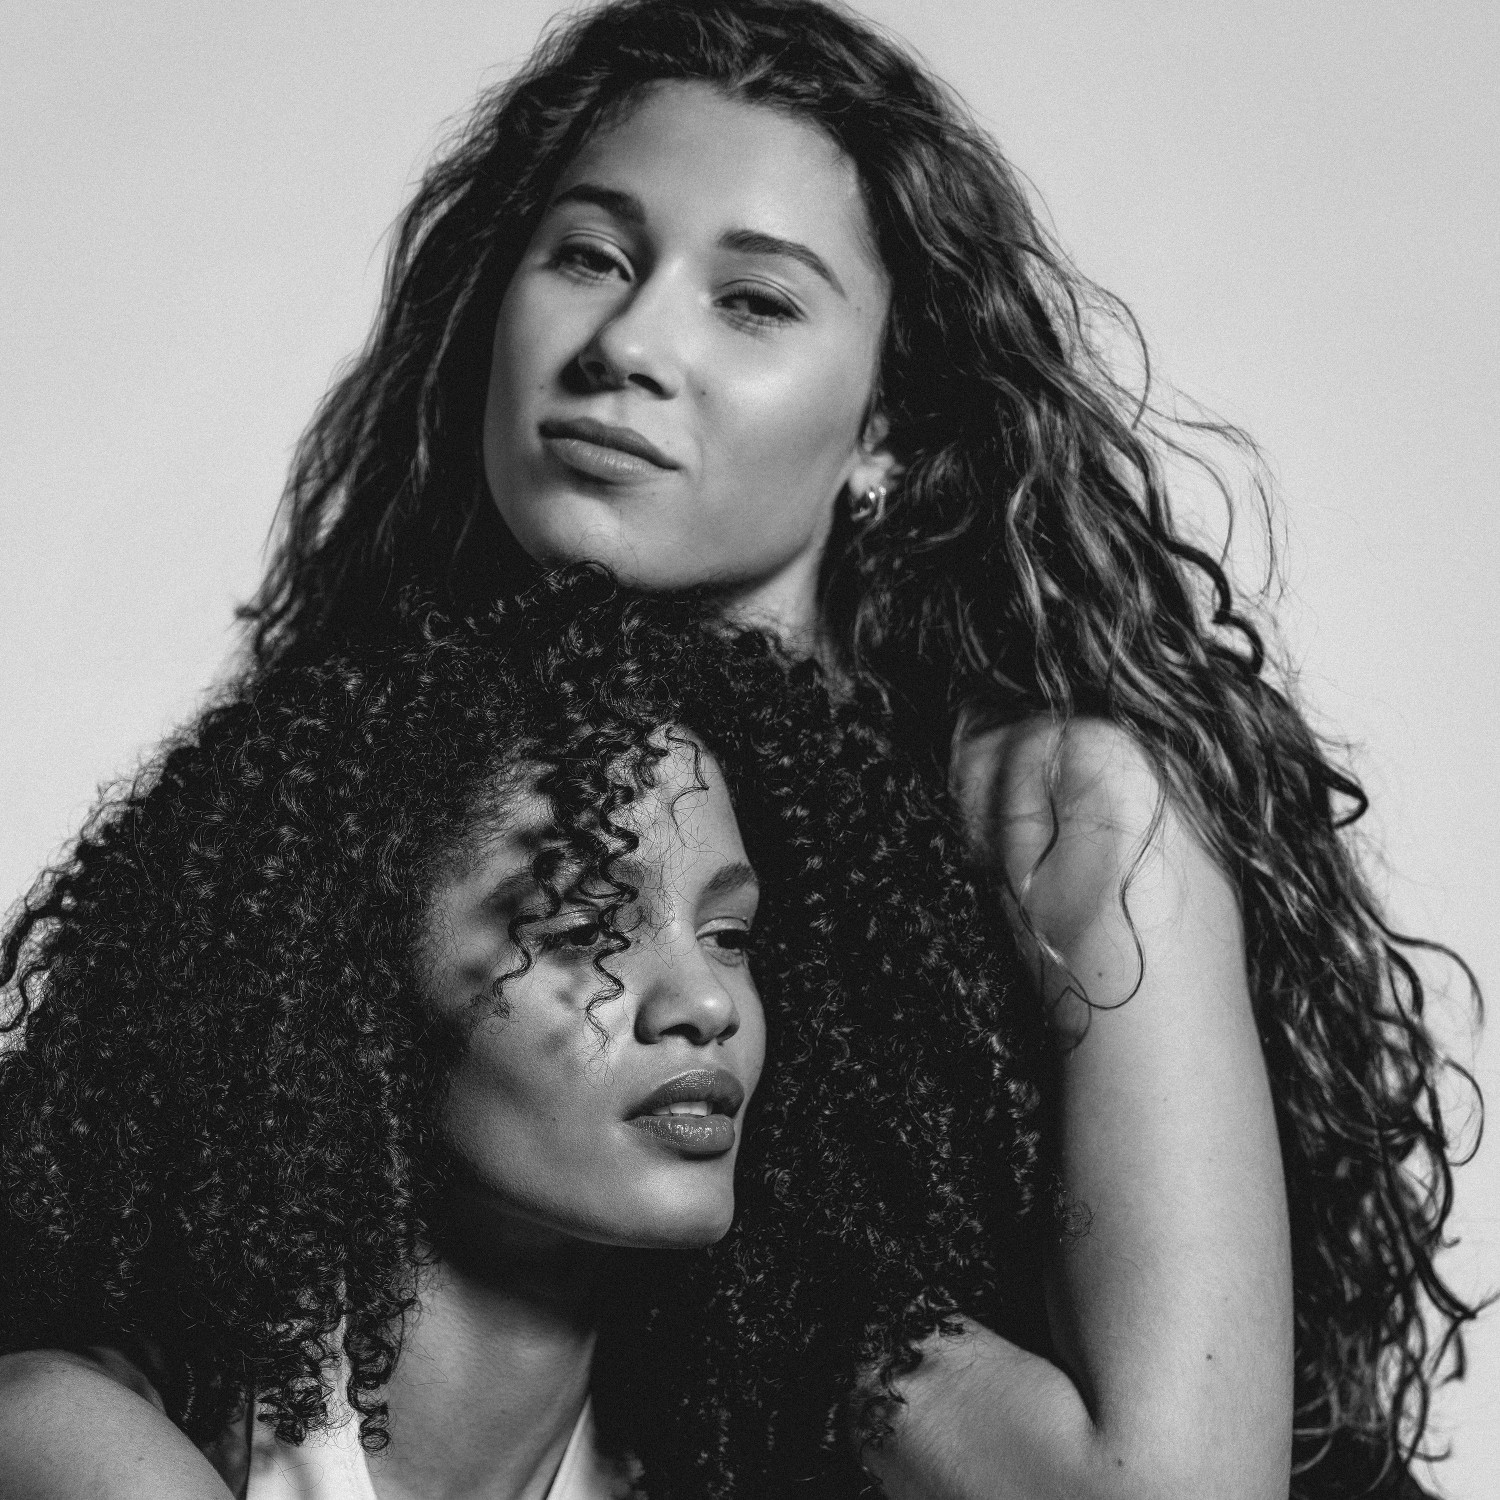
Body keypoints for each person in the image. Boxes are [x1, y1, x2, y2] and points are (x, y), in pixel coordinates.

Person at [228, 2, 1482, 1496]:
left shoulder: (1058, 811)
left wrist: (741, 1245)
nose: (629, 346)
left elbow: (1173, 1489)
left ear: (886, 425)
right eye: (592, 256)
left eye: (753, 301)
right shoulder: (370, 789)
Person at [0, 574, 1048, 1498]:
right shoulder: (77, 1437)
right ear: (350, 986)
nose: (707, 1002)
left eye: (730, 936)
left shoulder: (731, 1454)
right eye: (587, 926)